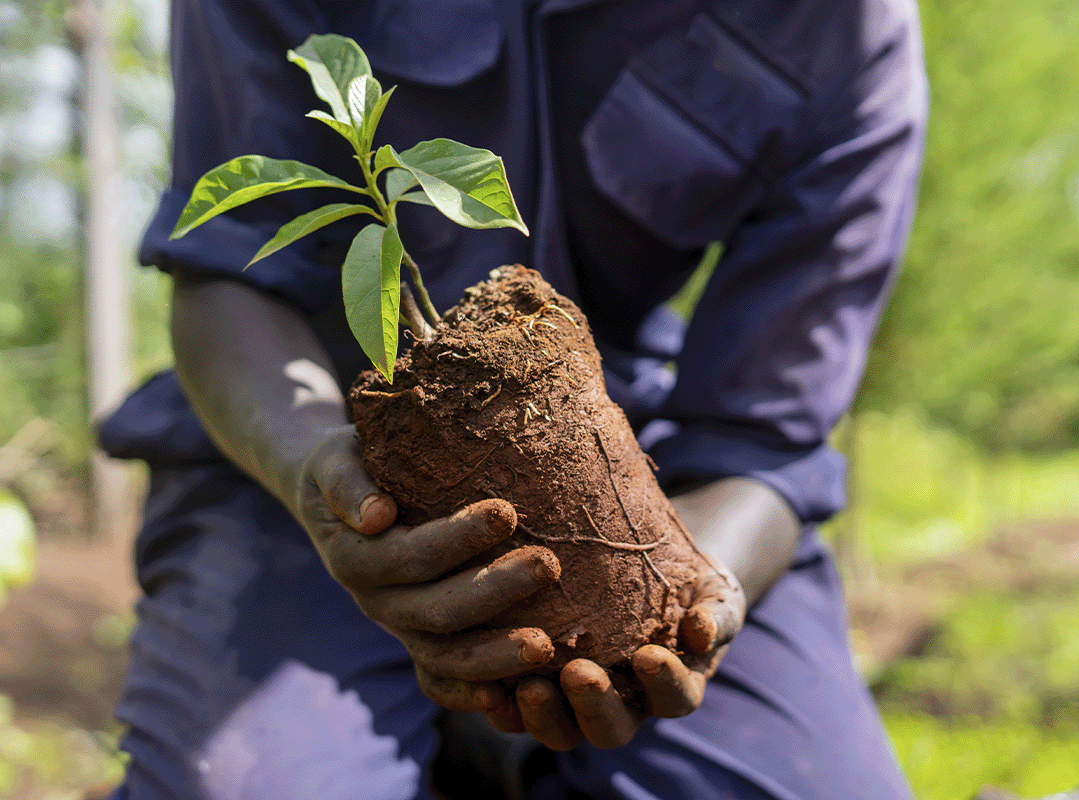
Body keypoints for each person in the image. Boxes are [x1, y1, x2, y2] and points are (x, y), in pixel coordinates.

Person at [99, 0, 929, 798]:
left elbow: (764, 437)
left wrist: (696, 594)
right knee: (243, 784)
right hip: (293, 439)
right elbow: (226, 275)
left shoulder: (847, 27)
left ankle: (485, 755)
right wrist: (314, 470)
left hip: (644, 472)